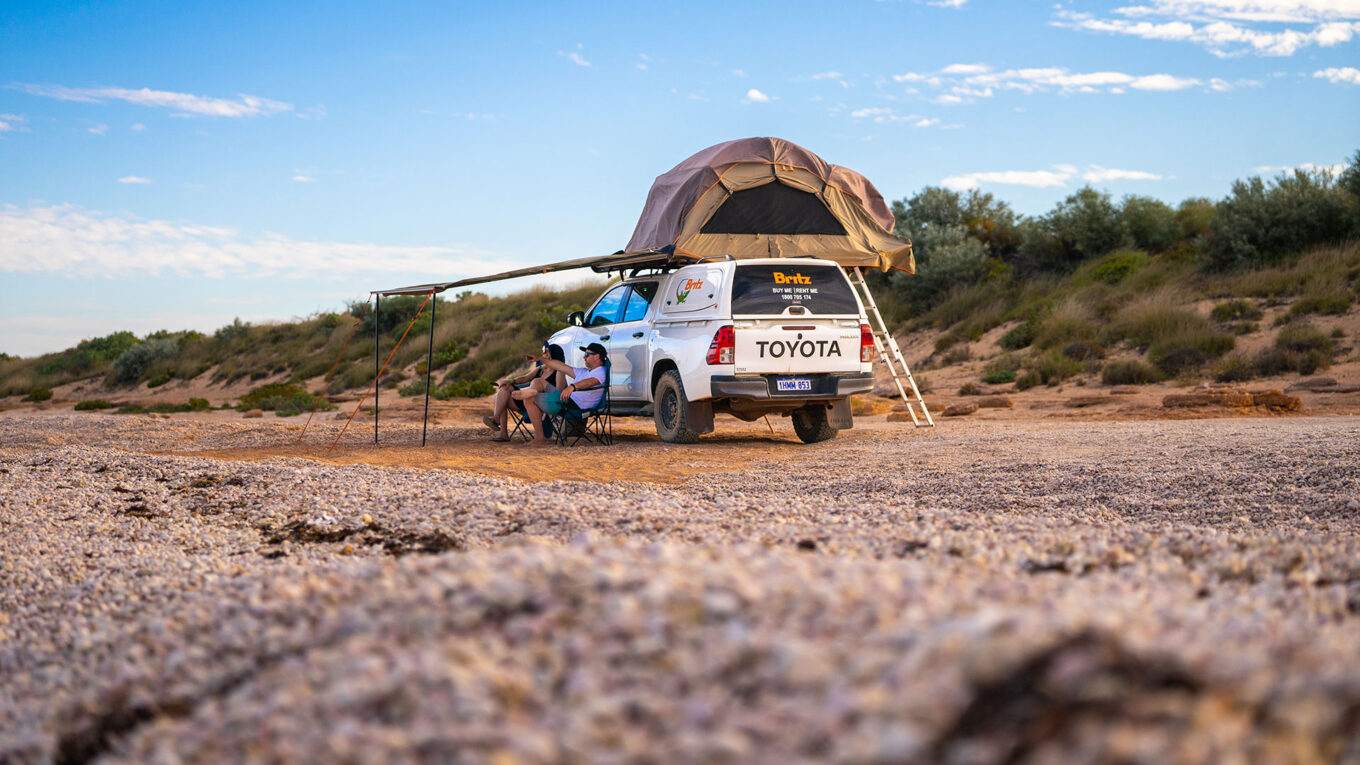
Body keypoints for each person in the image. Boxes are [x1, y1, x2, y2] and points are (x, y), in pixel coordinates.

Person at [520, 342, 608, 446]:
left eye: (587, 354)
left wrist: (573, 386)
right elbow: (561, 366)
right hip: (566, 400)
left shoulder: (601, 371)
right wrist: (540, 359)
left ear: (597, 356)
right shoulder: (584, 372)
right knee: (538, 381)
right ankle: (535, 397)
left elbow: (591, 382)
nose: (584, 357)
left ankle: (539, 438)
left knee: (529, 399)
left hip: (574, 406)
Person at [484, 343, 566, 442]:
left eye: (545, 352)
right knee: (504, 389)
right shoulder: (540, 369)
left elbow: (558, 393)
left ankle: (496, 420)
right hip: (526, 400)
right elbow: (525, 378)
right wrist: (510, 381)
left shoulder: (559, 372)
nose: (542, 354)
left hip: (540, 404)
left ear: (551, 356)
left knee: (505, 397)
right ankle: (501, 429)